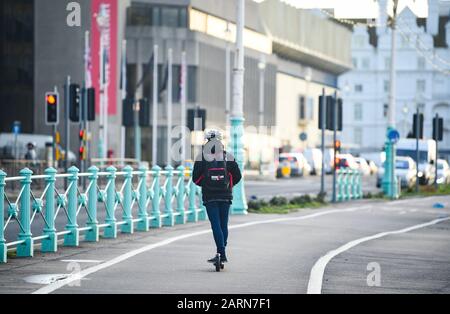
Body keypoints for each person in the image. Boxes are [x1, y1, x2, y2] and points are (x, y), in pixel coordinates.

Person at [193, 130, 242, 264]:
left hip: (209, 196)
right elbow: (238, 176)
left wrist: (206, 184)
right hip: (226, 195)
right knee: (223, 224)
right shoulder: (228, 156)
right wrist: (228, 185)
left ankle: (221, 253)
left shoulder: (201, 157)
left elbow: (195, 179)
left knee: (215, 225)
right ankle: (221, 253)